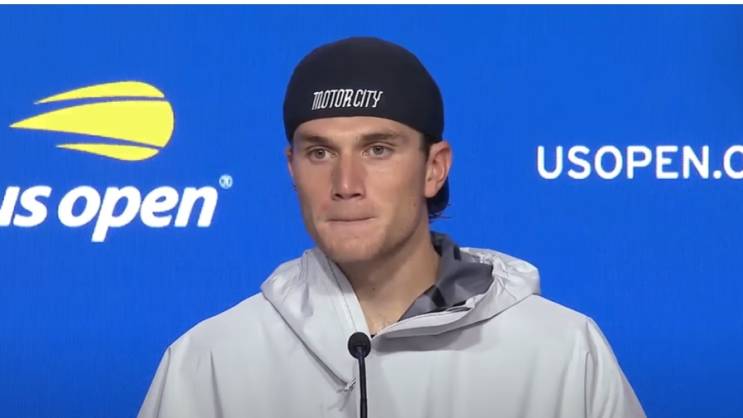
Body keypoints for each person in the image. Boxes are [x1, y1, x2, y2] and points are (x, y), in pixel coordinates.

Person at [137, 37, 646, 418]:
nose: (345, 184)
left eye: (377, 150)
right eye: (320, 153)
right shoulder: (209, 362)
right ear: (292, 168)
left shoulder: (562, 353)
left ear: (434, 168)